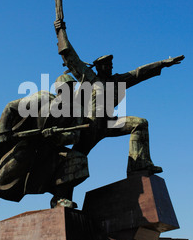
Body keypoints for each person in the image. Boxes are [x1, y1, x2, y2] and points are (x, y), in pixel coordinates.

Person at [54, 19, 184, 176]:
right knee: (74, 159)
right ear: (99, 67)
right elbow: (70, 57)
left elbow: (139, 73)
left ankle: (139, 165)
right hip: (90, 126)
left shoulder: (117, 81)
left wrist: (163, 63)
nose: (111, 66)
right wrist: (60, 31)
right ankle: (61, 192)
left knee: (140, 123)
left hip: (109, 123)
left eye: (111, 64)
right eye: (107, 65)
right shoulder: (90, 78)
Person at [0, 75, 89, 226]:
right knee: (1, 179)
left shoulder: (75, 110)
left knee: (76, 159)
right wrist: (3, 133)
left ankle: (59, 199)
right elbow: (10, 108)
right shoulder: (42, 99)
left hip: (51, 151)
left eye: (72, 88)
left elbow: (74, 136)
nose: (70, 91)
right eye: (66, 88)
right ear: (59, 89)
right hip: (28, 146)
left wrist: (57, 136)